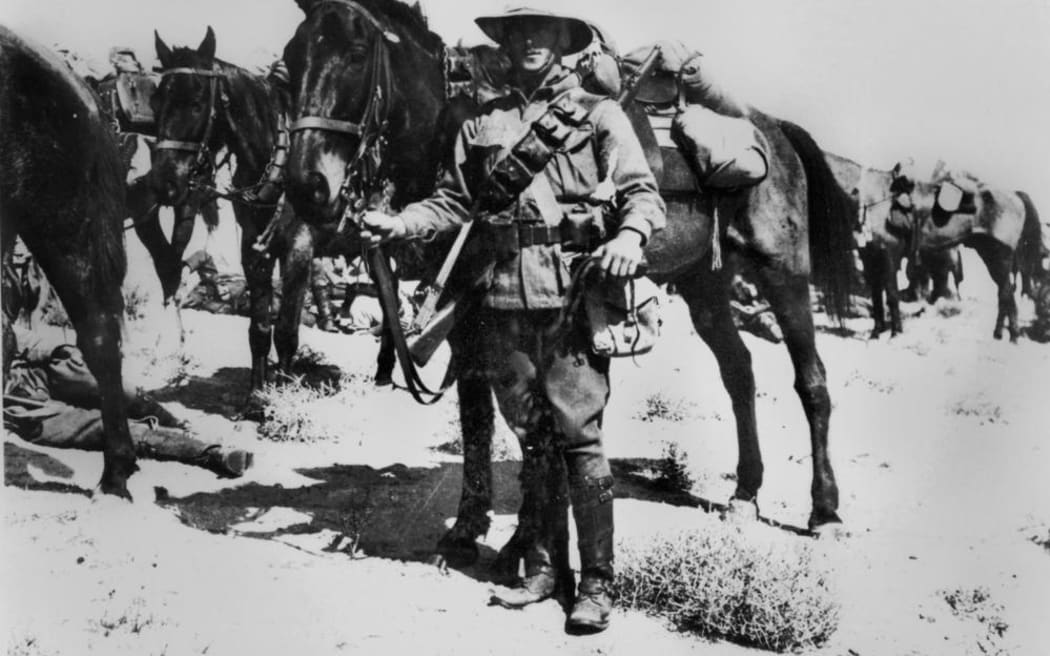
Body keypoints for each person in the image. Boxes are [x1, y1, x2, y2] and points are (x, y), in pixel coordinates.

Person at [361, 8, 665, 634]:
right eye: (518, 31)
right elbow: (453, 201)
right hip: (500, 298)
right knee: (533, 436)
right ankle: (545, 568)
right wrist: (401, 223)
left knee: (578, 436)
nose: (529, 40)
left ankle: (598, 582)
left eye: (542, 30)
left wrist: (630, 235)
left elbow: (642, 193)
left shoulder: (597, 113)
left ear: (561, 41)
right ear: (504, 42)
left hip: (570, 296)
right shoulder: (481, 120)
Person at [4, 335, 252, 479]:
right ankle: (209, 454)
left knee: (115, 389)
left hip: (42, 369)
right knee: (102, 429)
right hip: (22, 405)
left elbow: (18, 335)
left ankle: (174, 422)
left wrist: (60, 352)